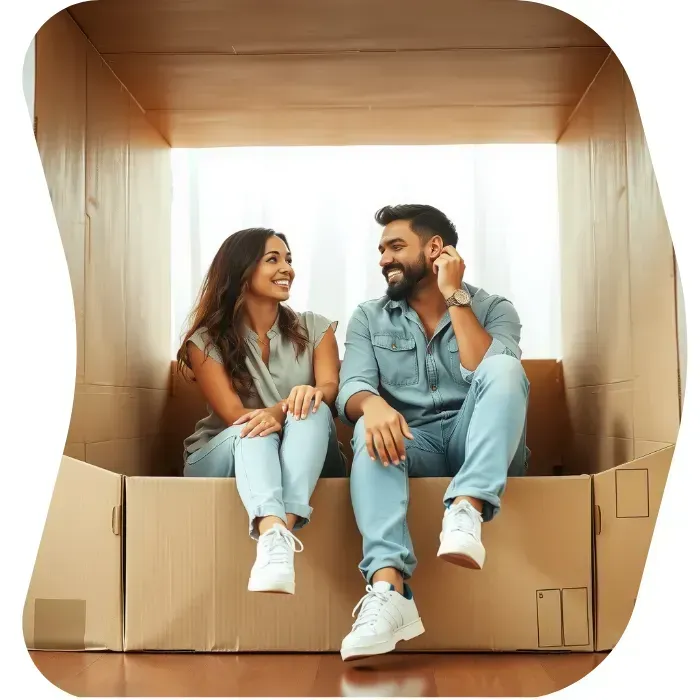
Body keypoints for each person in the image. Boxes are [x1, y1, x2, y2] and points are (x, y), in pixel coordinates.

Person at [336, 204, 530, 661]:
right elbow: (350, 390)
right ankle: (390, 591)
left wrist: (454, 294)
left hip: (482, 441)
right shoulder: (369, 316)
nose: (384, 258)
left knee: (504, 365)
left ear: (436, 249)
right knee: (369, 427)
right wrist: (375, 404)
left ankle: (468, 506)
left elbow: (488, 372)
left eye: (396, 246)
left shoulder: (495, 308)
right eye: (381, 249)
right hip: (414, 441)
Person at [177, 227, 346, 596]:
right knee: (254, 429)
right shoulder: (206, 340)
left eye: (288, 259)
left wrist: (295, 404)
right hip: (229, 452)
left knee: (313, 407)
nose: (287, 268)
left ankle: (277, 535)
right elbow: (235, 414)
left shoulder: (317, 328)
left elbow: (330, 390)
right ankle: (274, 534)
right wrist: (282, 410)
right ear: (242, 270)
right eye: (273, 259)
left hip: (309, 449)